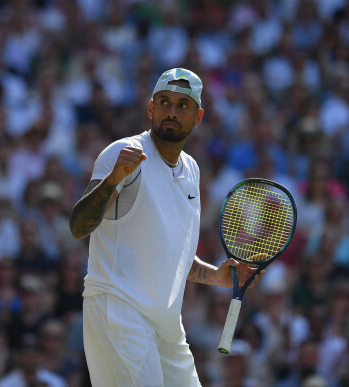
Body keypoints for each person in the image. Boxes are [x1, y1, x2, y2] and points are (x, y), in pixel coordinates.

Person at [69, 68, 261, 386]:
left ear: (198, 116)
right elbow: (79, 226)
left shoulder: (192, 171)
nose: (172, 112)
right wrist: (113, 179)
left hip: (168, 326)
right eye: (164, 102)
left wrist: (214, 275)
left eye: (182, 105)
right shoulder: (121, 153)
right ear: (150, 108)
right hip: (119, 313)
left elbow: (175, 255)